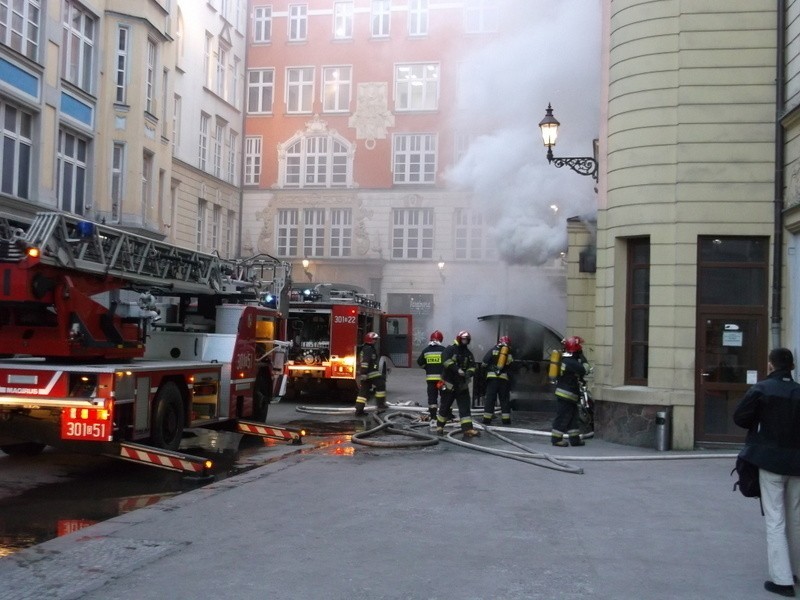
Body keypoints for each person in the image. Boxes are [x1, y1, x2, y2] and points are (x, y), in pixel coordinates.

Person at [733, 347, 800, 598]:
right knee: (796, 518)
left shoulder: (762, 389)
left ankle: (782, 580)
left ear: (771, 365)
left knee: (775, 519)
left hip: (770, 461)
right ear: (791, 366)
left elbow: (740, 417)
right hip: (797, 464)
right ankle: (796, 571)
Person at [437, 330, 479, 437]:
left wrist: (469, 373)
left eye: (467, 340)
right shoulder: (450, 349)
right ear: (459, 339)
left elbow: (473, 366)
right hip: (449, 384)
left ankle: (468, 429)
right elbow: (445, 360)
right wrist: (457, 369)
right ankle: (440, 426)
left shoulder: (468, 353)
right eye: (464, 339)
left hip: (462, 385)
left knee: (465, 407)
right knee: (445, 406)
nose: (465, 342)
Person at [551, 336, 590, 447]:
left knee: (573, 417)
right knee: (563, 417)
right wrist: (582, 357)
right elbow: (585, 370)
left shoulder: (566, 359)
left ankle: (574, 439)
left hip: (569, 394)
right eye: (580, 347)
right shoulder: (570, 362)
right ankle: (556, 439)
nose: (581, 349)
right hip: (567, 394)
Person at [481, 336, 514, 426]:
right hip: (504, 379)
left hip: (492, 378)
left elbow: (484, 362)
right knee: (504, 399)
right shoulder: (509, 353)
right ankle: (506, 420)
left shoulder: (493, 350)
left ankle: (487, 419)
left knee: (490, 399)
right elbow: (511, 365)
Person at [354, 332, 387, 416]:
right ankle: (380, 404)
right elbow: (365, 362)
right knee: (381, 384)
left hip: (367, 373)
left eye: (376, 339)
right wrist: (364, 373)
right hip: (370, 372)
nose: (375, 341)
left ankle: (359, 410)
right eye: (374, 339)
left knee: (363, 392)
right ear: (370, 340)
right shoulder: (368, 349)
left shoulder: (367, 348)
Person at [416, 330, 446, 421]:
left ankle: (433, 417)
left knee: (432, 398)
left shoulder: (426, 350)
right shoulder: (444, 350)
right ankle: (444, 415)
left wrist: (427, 368)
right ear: (440, 339)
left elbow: (419, 362)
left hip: (431, 380)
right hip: (441, 380)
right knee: (444, 396)